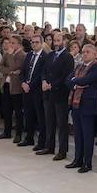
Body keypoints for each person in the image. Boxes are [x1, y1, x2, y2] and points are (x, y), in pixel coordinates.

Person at [68, 43, 97, 173]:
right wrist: (76, 83)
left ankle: (87, 163)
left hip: (88, 105)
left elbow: (87, 80)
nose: (84, 54)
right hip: (76, 104)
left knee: (87, 135)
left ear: (95, 54)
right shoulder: (79, 66)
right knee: (77, 134)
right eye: (83, 52)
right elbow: (67, 80)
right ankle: (77, 159)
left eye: (87, 52)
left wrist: (75, 81)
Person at [40, 32, 75, 160]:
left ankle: (62, 151)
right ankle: (49, 147)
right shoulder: (50, 55)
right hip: (48, 94)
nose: (56, 43)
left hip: (60, 94)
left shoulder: (68, 57)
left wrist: (52, 85)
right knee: (49, 121)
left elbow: (66, 75)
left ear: (64, 41)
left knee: (61, 124)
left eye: (58, 40)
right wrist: (44, 81)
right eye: (54, 40)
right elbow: (43, 70)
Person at [19, 33, 48, 148]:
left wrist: (29, 85)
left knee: (40, 117)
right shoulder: (29, 55)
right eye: (33, 42)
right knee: (28, 114)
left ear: (42, 43)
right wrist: (23, 82)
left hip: (37, 90)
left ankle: (41, 142)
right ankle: (29, 138)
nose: (34, 44)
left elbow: (42, 74)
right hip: (26, 89)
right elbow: (23, 72)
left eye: (37, 42)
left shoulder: (45, 57)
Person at [0, 34, 25, 140]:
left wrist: (10, 56)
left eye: (13, 43)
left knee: (18, 111)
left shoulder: (21, 55)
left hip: (16, 86)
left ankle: (18, 134)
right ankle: (7, 132)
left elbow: (15, 66)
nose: (11, 45)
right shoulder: (7, 54)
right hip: (6, 84)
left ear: (19, 44)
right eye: (10, 42)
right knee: (6, 110)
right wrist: (10, 72)